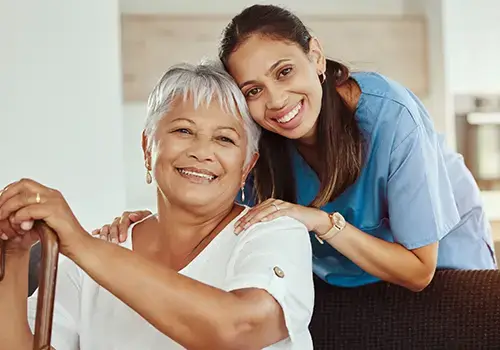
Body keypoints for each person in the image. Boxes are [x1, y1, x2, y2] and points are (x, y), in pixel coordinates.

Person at [98, 4, 496, 292]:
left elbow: (418, 271)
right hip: (339, 282)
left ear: (316, 56)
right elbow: (214, 215)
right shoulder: (256, 137)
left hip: (441, 270)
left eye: (284, 71)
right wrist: (146, 228)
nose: (276, 101)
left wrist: (322, 222)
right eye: (253, 90)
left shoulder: (391, 116)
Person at [0, 61, 315, 349]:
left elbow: (239, 330)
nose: (202, 152)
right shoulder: (99, 251)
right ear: (147, 148)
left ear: (247, 165)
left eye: (224, 139)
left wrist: (81, 244)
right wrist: (13, 255)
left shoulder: (274, 232)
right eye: (183, 131)